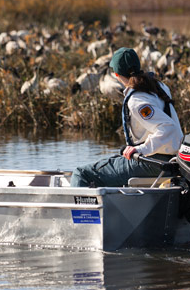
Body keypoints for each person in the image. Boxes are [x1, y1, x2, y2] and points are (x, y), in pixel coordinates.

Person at [71, 47, 183, 187]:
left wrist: (140, 149)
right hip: (170, 159)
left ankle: (81, 209)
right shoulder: (159, 86)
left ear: (116, 74)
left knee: (81, 174)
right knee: (113, 161)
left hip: (154, 163)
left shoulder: (136, 100)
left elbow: (168, 128)